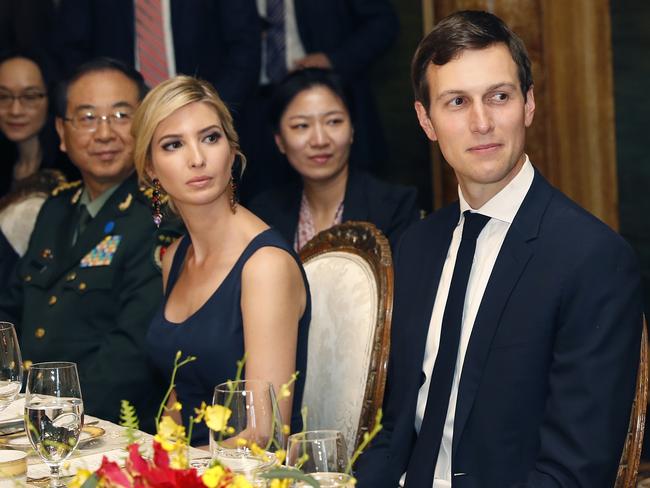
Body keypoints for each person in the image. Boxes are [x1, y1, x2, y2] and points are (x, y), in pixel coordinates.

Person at [355, 10, 643, 488]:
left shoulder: (592, 259)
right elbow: (394, 429)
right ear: (426, 121)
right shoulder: (418, 246)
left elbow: (574, 471)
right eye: (456, 102)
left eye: (499, 96)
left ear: (528, 104)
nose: (482, 122)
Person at [131, 75, 311, 445]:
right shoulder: (175, 258)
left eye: (210, 138)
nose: (197, 159)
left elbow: (266, 433)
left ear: (231, 150)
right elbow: (176, 398)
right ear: (151, 168)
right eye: (173, 144)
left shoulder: (265, 267)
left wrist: (181, 476)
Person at [0, 58, 168, 432]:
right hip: (29, 419)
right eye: (88, 118)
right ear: (61, 132)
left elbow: (131, 351)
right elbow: (10, 312)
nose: (105, 134)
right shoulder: (56, 209)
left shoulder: (158, 217)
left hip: (104, 427)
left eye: (122, 115)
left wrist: (55, 421)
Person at [239, 0, 399, 202]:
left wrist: (334, 60)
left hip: (327, 90)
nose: (318, 140)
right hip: (254, 107)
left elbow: (383, 23)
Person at [250, 68, 419, 252]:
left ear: (352, 130)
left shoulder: (395, 208)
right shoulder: (263, 213)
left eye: (333, 122)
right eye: (301, 126)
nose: (320, 140)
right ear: (280, 141)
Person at [51, 0, 260, 114]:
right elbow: (72, 51)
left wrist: (211, 109)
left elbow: (244, 49)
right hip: (120, 121)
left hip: (206, 111)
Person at [0, 50, 72, 287]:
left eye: (30, 97)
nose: (15, 110)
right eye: (3, 97)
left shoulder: (72, 167)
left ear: (50, 99)